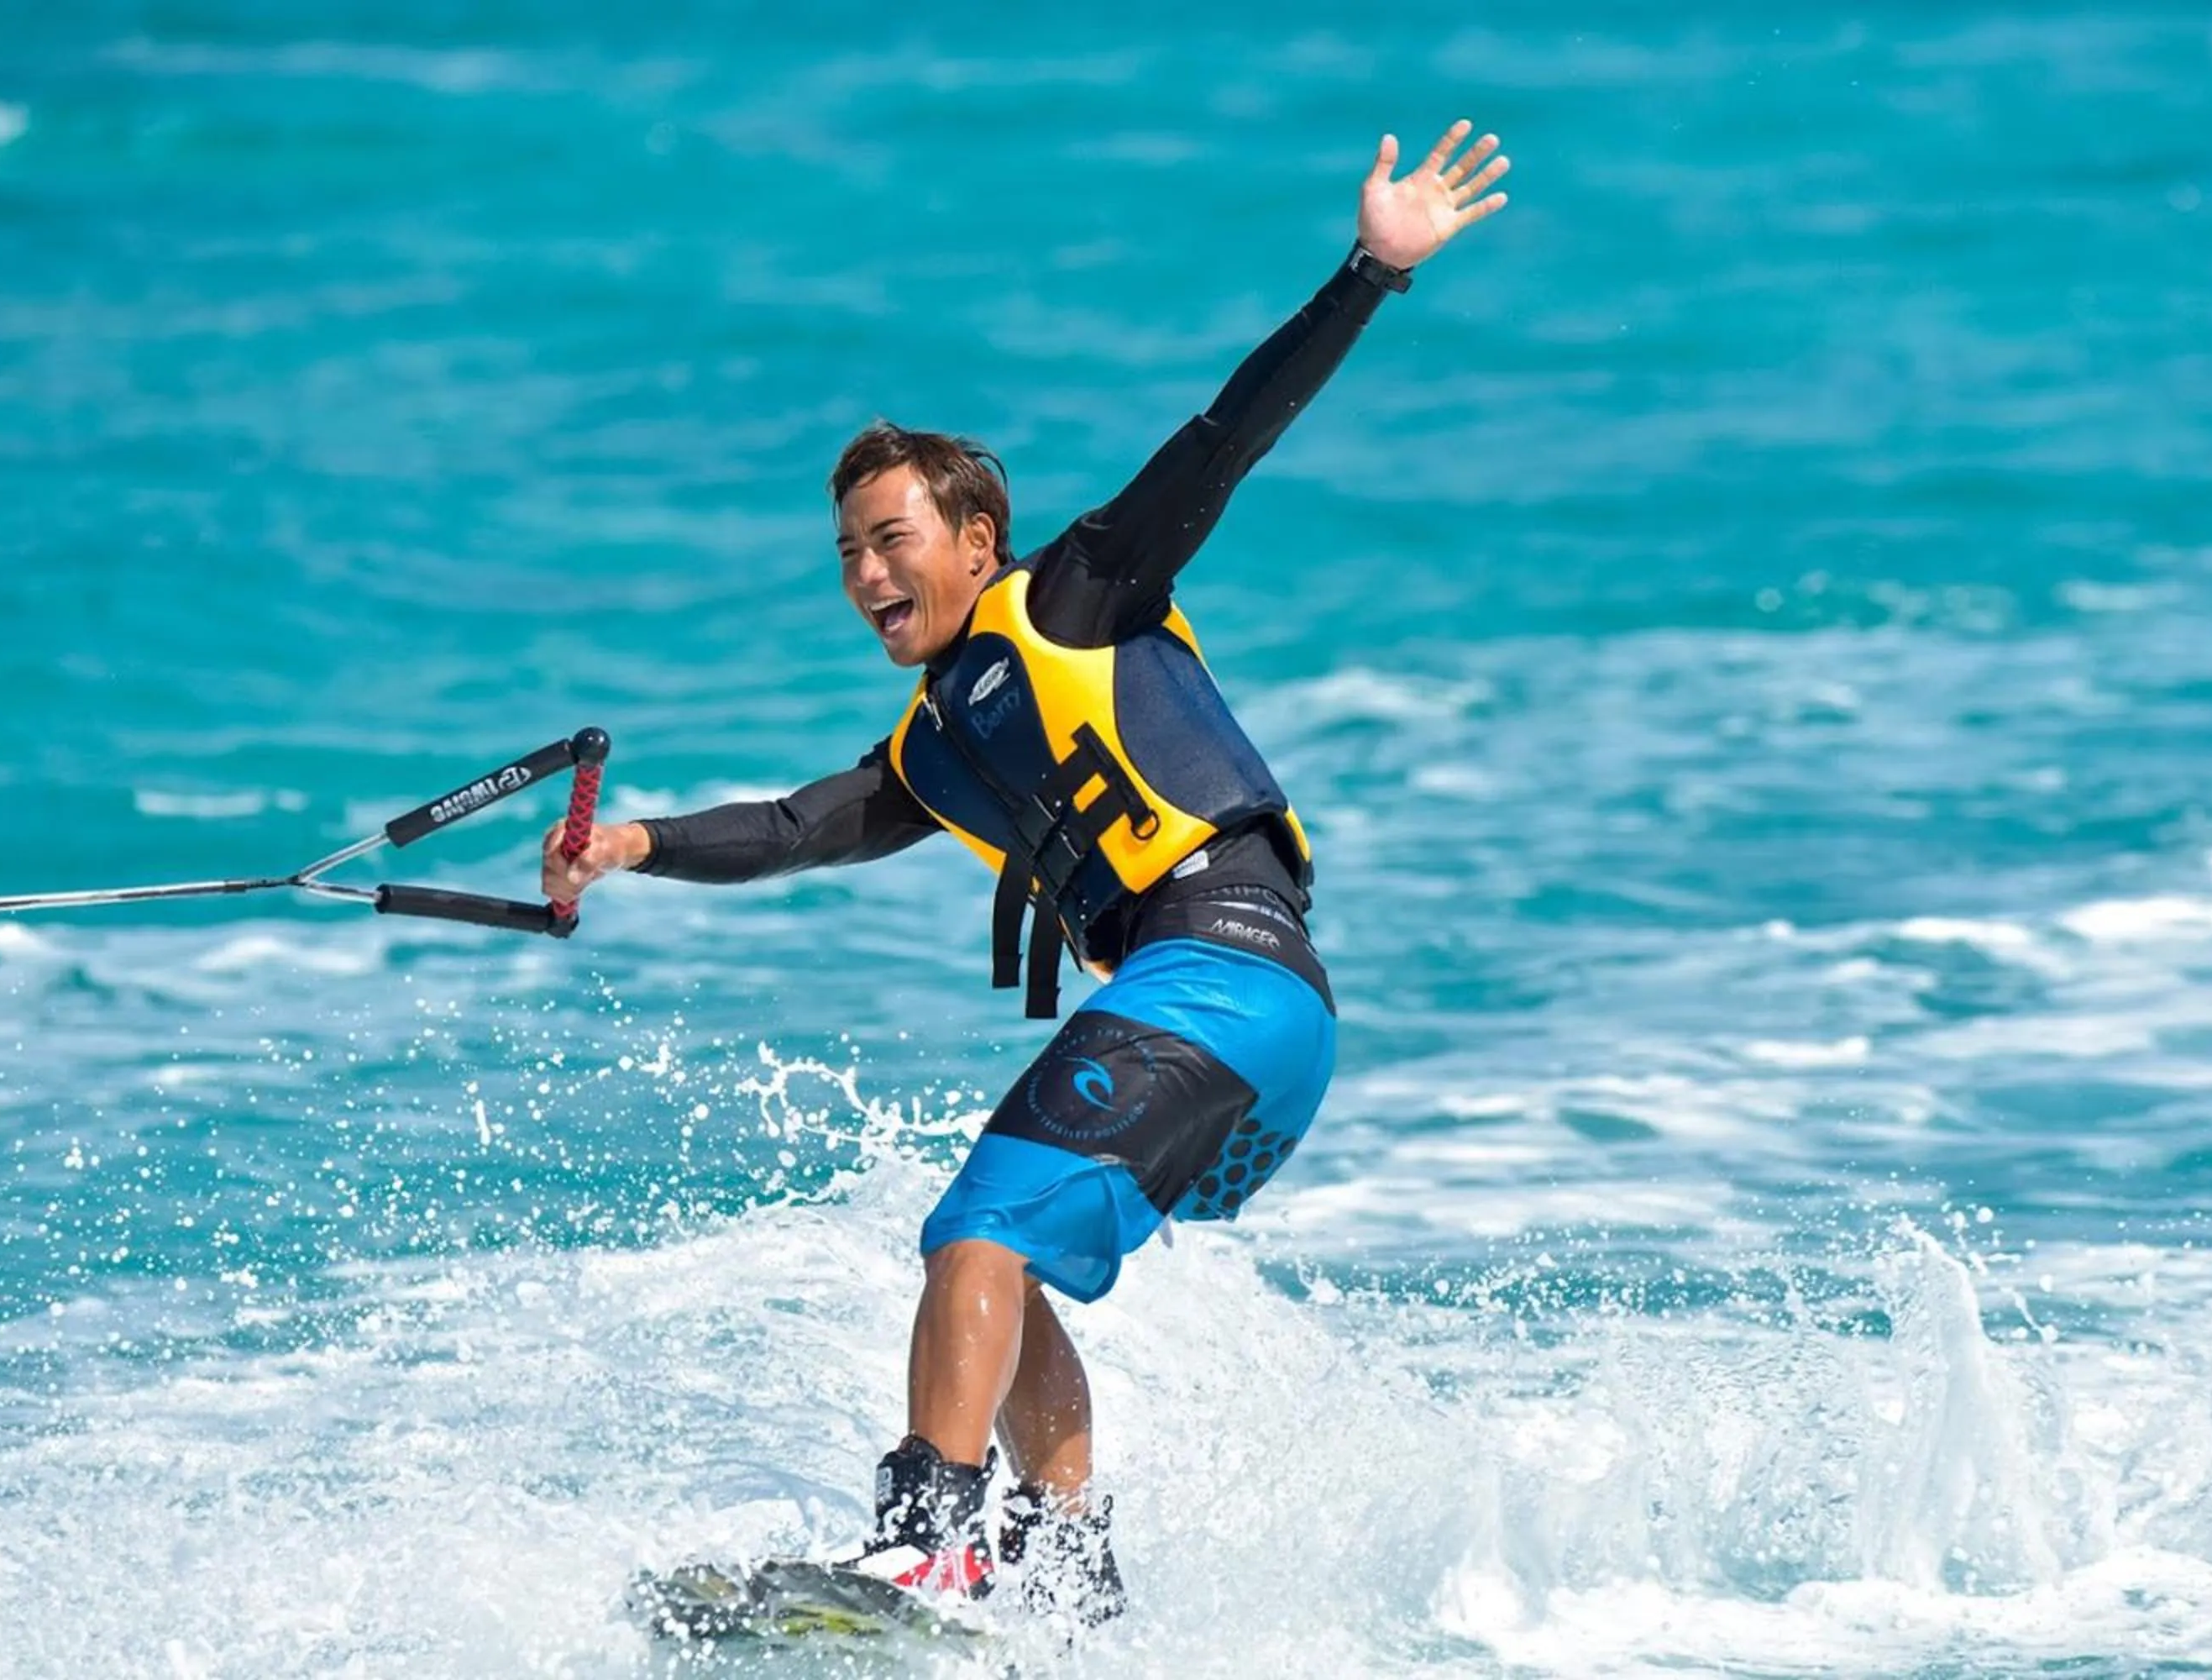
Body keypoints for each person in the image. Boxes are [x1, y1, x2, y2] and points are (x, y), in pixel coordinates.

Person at [546, 120, 1510, 1624]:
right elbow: (802, 828)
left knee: (973, 1237)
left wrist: (1369, 274)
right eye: (848, 555)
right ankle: (1068, 1568)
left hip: (1229, 970)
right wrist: (628, 847)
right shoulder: (932, 747)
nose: (867, 576)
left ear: (973, 536)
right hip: (1255, 1027)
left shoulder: (1073, 595)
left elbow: (1225, 435)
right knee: (1012, 1263)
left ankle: (924, 1532)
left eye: (891, 539)